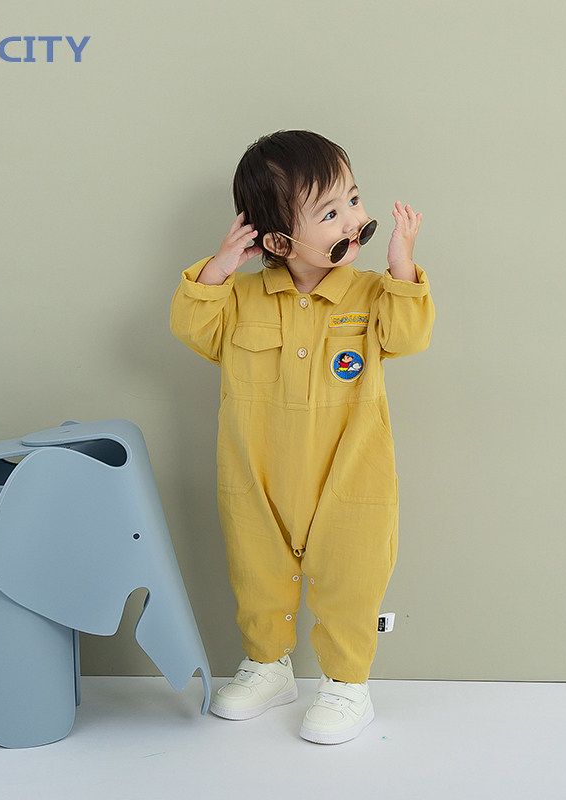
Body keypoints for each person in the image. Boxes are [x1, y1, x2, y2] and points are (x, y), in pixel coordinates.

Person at [170, 130, 435, 744]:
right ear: (278, 241)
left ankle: (347, 683)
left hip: (351, 472)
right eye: (330, 213)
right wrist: (220, 266)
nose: (354, 220)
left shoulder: (371, 294)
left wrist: (401, 262)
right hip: (256, 474)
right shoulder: (241, 300)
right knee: (256, 571)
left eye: (354, 200)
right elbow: (192, 326)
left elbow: (408, 335)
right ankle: (268, 666)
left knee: (352, 574)